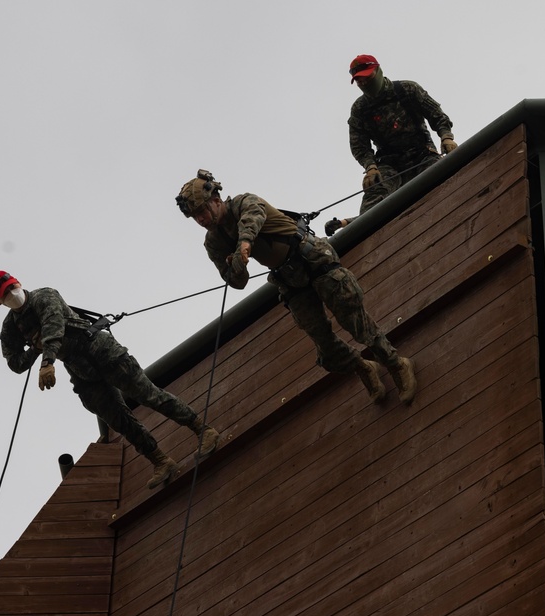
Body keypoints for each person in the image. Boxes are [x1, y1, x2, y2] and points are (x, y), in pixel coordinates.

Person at [175, 170, 417, 406]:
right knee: (324, 345)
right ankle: (363, 367)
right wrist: (235, 268)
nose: (201, 220)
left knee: (355, 320)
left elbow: (253, 218)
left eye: (202, 211)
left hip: (312, 260)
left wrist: (244, 244)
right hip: (290, 280)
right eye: (195, 217)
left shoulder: (244, 202)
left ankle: (396, 363)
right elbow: (236, 282)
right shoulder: (214, 241)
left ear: (216, 201)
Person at [0, 271, 219, 489]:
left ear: (19, 282)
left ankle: (202, 429)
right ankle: (160, 460)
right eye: (5, 294)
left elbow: (53, 326)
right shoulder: (10, 328)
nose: (12, 294)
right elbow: (15, 363)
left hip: (100, 350)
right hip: (81, 370)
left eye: (12, 287)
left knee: (148, 395)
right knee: (118, 419)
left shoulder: (44, 295)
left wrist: (47, 361)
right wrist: (35, 350)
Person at [326, 54, 457, 237]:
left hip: (422, 154)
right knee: (375, 194)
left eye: (367, 78)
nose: (363, 84)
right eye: (359, 81)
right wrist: (370, 167)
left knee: (443, 181)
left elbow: (436, 115)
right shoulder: (360, 109)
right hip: (389, 163)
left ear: (378, 71)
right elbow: (360, 146)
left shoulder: (407, 89)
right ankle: (358, 233)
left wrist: (446, 138)